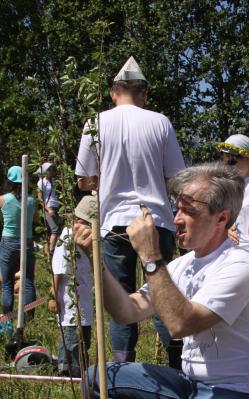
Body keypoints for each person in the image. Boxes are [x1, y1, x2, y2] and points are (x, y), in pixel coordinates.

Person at [75, 162, 249, 399]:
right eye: (175, 209)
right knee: (98, 380)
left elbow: (181, 324)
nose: (175, 220)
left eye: (186, 211)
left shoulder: (240, 265)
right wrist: (95, 258)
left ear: (221, 217)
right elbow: (127, 311)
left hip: (239, 397)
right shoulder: (182, 265)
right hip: (191, 388)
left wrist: (151, 257)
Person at [75, 56, 185, 364]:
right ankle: (177, 367)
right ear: (144, 93)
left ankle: (123, 370)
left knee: (120, 299)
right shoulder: (160, 122)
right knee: (162, 293)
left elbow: (84, 179)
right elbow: (176, 177)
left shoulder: (95, 123)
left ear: (114, 92)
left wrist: (105, 178)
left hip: (113, 224)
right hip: (156, 220)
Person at [49, 196, 95, 378]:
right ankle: (69, 375)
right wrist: (53, 296)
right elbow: (58, 270)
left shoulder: (87, 240)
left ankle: (79, 373)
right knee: (72, 342)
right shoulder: (67, 237)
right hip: (70, 305)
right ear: (79, 220)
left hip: (83, 304)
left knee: (84, 341)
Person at [0, 166, 36, 324]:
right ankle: (29, 319)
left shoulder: (3, 199)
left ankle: (7, 319)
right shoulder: (31, 200)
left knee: (7, 283)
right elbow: (34, 220)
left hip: (8, 241)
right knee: (28, 281)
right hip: (27, 241)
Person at [36, 162, 62, 256]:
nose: (52, 171)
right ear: (45, 171)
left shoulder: (53, 181)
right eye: (49, 169)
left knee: (51, 231)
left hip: (55, 207)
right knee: (55, 230)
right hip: (49, 208)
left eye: (52, 169)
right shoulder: (42, 182)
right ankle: (51, 252)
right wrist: (48, 209)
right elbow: (40, 198)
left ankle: (48, 252)